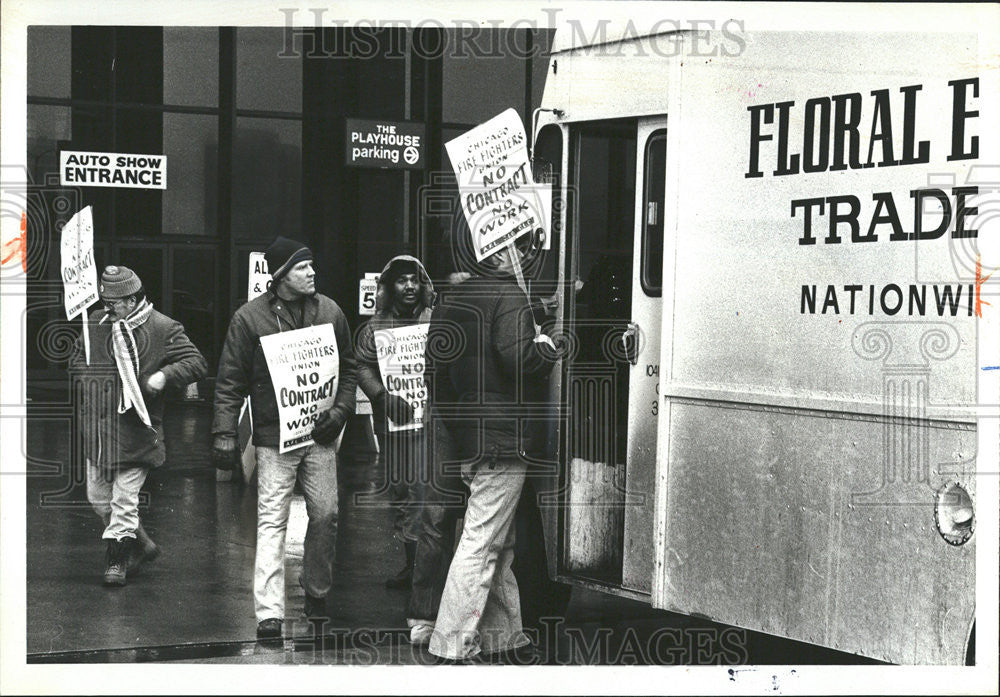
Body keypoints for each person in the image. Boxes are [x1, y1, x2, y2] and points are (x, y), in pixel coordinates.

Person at [210, 236, 357, 639]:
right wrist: (224, 433)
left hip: (321, 436)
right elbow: (229, 382)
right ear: (280, 277)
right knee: (272, 521)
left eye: (311, 266)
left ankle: (317, 593)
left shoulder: (330, 311)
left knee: (325, 515)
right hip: (275, 439)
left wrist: (341, 413)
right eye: (302, 267)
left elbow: (350, 368)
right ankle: (269, 612)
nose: (312, 273)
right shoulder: (249, 318)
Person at [425, 239, 560, 661]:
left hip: (471, 437)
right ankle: (451, 641)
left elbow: (436, 369)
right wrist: (547, 346)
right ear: (499, 256)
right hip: (504, 439)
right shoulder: (509, 294)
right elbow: (516, 357)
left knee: (498, 540)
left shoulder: (452, 299)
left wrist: (460, 430)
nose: (522, 255)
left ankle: (506, 636)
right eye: (516, 249)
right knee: (482, 541)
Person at [71, 265, 207, 587]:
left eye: (113, 304)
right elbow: (77, 357)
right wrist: (85, 377)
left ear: (132, 301)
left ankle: (117, 560)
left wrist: (164, 376)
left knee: (124, 500)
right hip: (98, 434)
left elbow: (196, 362)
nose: (106, 309)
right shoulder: (95, 323)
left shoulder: (164, 328)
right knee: (98, 498)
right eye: (104, 302)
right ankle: (143, 544)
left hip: (137, 433)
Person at [354, 255, 435, 590]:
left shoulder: (436, 321)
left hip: (429, 425)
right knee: (401, 493)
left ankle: (423, 569)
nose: (410, 287)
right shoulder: (374, 327)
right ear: (389, 286)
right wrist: (382, 396)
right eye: (402, 280)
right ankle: (411, 563)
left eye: (415, 280)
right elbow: (359, 366)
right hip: (392, 425)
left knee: (422, 494)